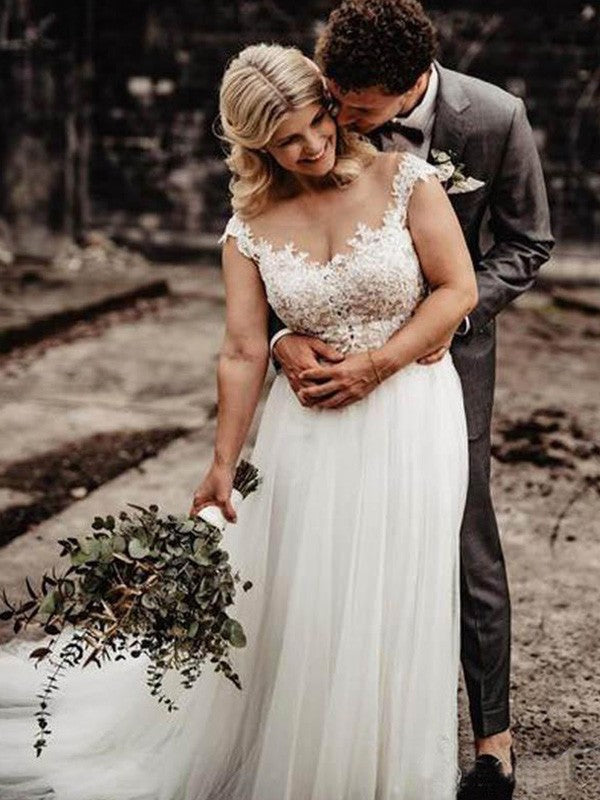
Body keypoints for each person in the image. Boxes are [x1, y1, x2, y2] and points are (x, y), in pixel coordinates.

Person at [0, 43, 476, 800]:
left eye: (319, 122)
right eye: (289, 139)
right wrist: (221, 463)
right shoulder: (249, 225)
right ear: (257, 146)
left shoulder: (406, 180)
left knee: (398, 593)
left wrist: (374, 365)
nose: (314, 144)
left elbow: (457, 292)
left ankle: (391, 775)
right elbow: (242, 347)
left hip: (411, 418)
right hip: (308, 433)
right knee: (307, 600)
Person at [267, 3, 554, 798]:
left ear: (408, 91)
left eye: (355, 110)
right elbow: (270, 230)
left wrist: (448, 315)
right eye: (332, 96)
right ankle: (344, 724)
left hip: (447, 363)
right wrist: (274, 338)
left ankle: (493, 740)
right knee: (325, 541)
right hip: (329, 363)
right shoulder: (314, 107)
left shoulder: (495, 119)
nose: (335, 121)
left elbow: (528, 243)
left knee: (465, 539)